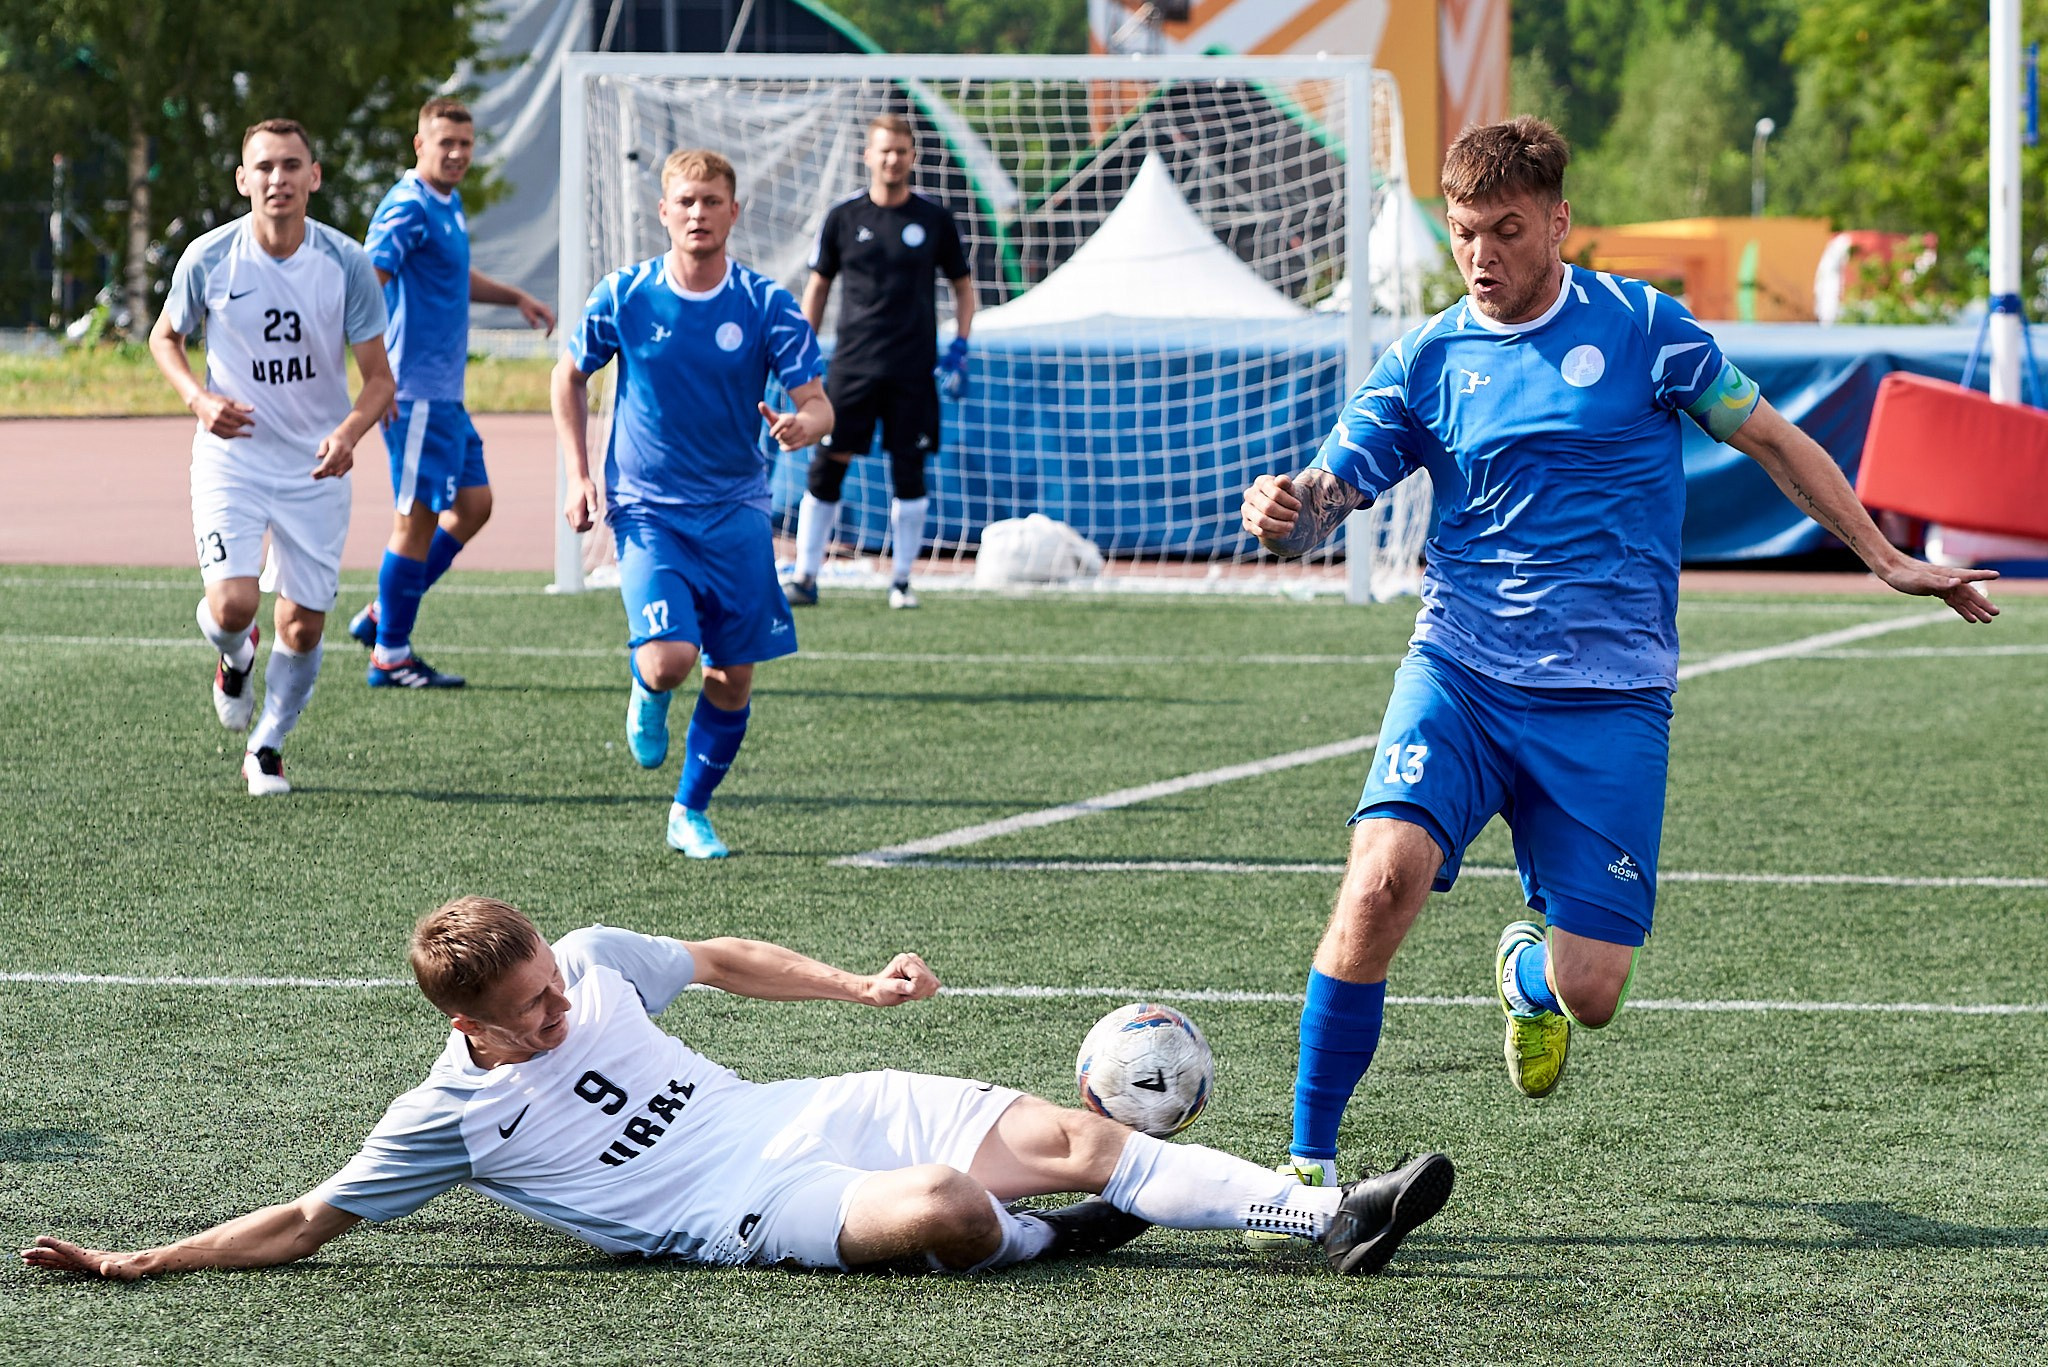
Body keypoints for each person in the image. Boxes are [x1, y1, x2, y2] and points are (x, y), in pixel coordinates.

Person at [1238, 116, 1998, 1202]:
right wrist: (1286, 509)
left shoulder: (1644, 328)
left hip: (1610, 700)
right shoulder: (1426, 357)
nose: (1481, 256)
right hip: (1459, 672)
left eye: (1505, 229)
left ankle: (1526, 976)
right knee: (1378, 882)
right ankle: (1303, 1165)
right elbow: (1332, 491)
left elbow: (1770, 437)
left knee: (1591, 989)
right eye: (1462, 234)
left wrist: (1883, 555)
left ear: (1557, 220)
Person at [21, 896, 1452, 1280]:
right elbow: (304, 1216)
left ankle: (1319, 1208)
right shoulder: (446, 1117)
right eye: (535, 1009)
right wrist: (144, 1254)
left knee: (1078, 1128)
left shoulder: (582, 959)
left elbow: (713, 955)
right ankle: (1038, 1239)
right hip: (750, 1200)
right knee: (957, 1205)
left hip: (804, 1106)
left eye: (558, 982)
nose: (566, 1005)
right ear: (479, 1026)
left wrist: (858, 989)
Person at [550, 149, 829, 859]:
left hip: (736, 510)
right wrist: (580, 476)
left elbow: (819, 403)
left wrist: (806, 425)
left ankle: (689, 811)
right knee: (672, 659)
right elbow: (568, 377)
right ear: (665, 212)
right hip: (649, 510)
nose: (699, 213)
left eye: (712, 201)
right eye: (686, 202)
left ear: (734, 212)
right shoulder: (625, 294)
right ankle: (647, 688)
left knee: (733, 676)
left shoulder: (767, 304)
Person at [148, 118, 394, 796]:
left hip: (316, 465)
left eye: (291, 166)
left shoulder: (346, 263)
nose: (277, 179)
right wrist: (200, 400)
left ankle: (268, 745)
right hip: (233, 458)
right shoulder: (209, 256)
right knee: (231, 607)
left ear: (314, 176)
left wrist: (348, 434)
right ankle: (234, 659)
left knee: (304, 623)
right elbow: (164, 337)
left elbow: (379, 379)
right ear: (243, 179)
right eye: (264, 167)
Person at [341, 98, 556, 689]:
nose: (458, 153)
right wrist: (377, 384)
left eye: (466, 143)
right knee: (415, 520)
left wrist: (513, 296)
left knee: (476, 505)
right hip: (413, 393)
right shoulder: (407, 206)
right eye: (446, 143)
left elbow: (447, 274)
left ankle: (387, 613)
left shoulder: (445, 203)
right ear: (420, 145)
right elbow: (365, 284)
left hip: (445, 395)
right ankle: (390, 654)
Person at [783, 113, 974, 611]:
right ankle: (805, 575)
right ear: (868, 156)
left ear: (913, 157)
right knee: (829, 464)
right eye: (883, 150)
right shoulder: (844, 217)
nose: (892, 159)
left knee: (908, 469)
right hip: (852, 366)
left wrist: (961, 342)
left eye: (901, 151)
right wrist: (803, 345)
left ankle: (903, 581)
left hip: (913, 369)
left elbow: (962, 284)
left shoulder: (934, 218)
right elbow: (819, 285)